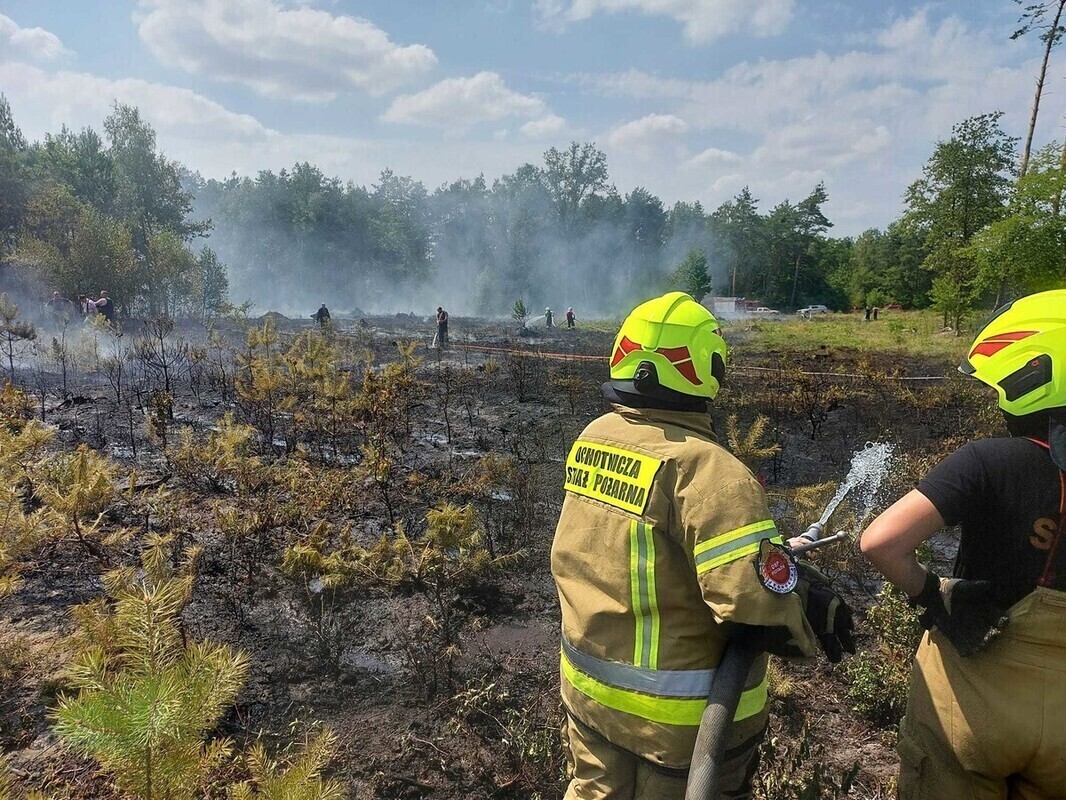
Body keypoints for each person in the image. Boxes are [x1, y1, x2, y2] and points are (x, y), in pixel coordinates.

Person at [552, 291, 855, 800]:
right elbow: (752, 604)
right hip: (678, 727)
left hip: (589, 697)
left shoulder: (594, 437)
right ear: (706, 368)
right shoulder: (708, 469)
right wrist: (807, 601)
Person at [860, 288, 1066, 800]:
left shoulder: (988, 460)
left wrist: (934, 592)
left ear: (1031, 378)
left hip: (973, 699)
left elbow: (881, 542)